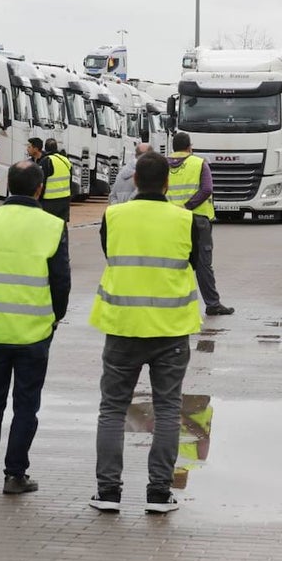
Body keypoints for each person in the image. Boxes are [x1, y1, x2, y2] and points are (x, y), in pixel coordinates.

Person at [88, 151, 201, 514]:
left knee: (112, 409)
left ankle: (107, 492)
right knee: (168, 409)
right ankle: (158, 493)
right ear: (168, 183)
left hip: (123, 326)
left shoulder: (114, 216)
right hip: (171, 329)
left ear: (134, 180)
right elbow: (196, 262)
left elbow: (110, 253)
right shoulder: (187, 220)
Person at [0, 161, 69, 496]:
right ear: (40, 189)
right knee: (26, 404)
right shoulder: (52, 225)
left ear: (8, 184)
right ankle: (15, 474)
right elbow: (60, 281)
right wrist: (55, 317)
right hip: (35, 330)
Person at [167, 132, 233, 316]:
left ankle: (172, 301)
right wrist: (188, 206)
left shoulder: (162, 165)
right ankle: (212, 304)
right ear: (189, 147)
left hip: (171, 219)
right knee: (203, 263)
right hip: (198, 219)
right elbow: (207, 189)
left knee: (174, 262)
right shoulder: (199, 163)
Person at [38, 139, 72, 222]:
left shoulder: (46, 161)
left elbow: (41, 182)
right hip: (65, 200)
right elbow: (70, 181)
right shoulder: (65, 160)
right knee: (62, 227)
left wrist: (39, 199)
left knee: (48, 227)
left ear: (45, 148)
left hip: (49, 201)